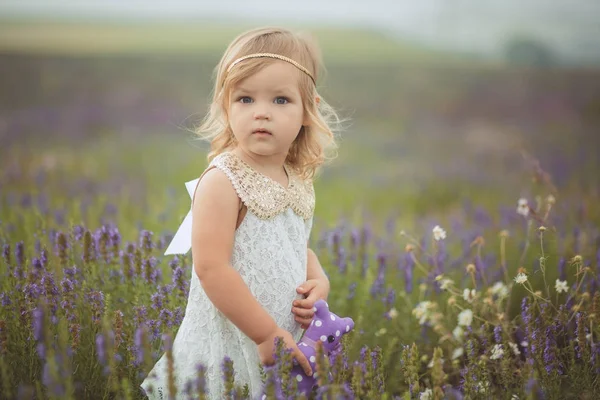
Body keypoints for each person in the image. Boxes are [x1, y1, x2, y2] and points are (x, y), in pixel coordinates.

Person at [140, 26, 341, 399]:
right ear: (225, 106)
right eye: (245, 99)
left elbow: (295, 246)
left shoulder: (297, 178)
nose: (261, 113)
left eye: (280, 100)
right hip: (234, 339)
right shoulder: (223, 180)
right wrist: (264, 333)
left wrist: (318, 280)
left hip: (281, 334)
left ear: (308, 109)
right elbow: (211, 267)